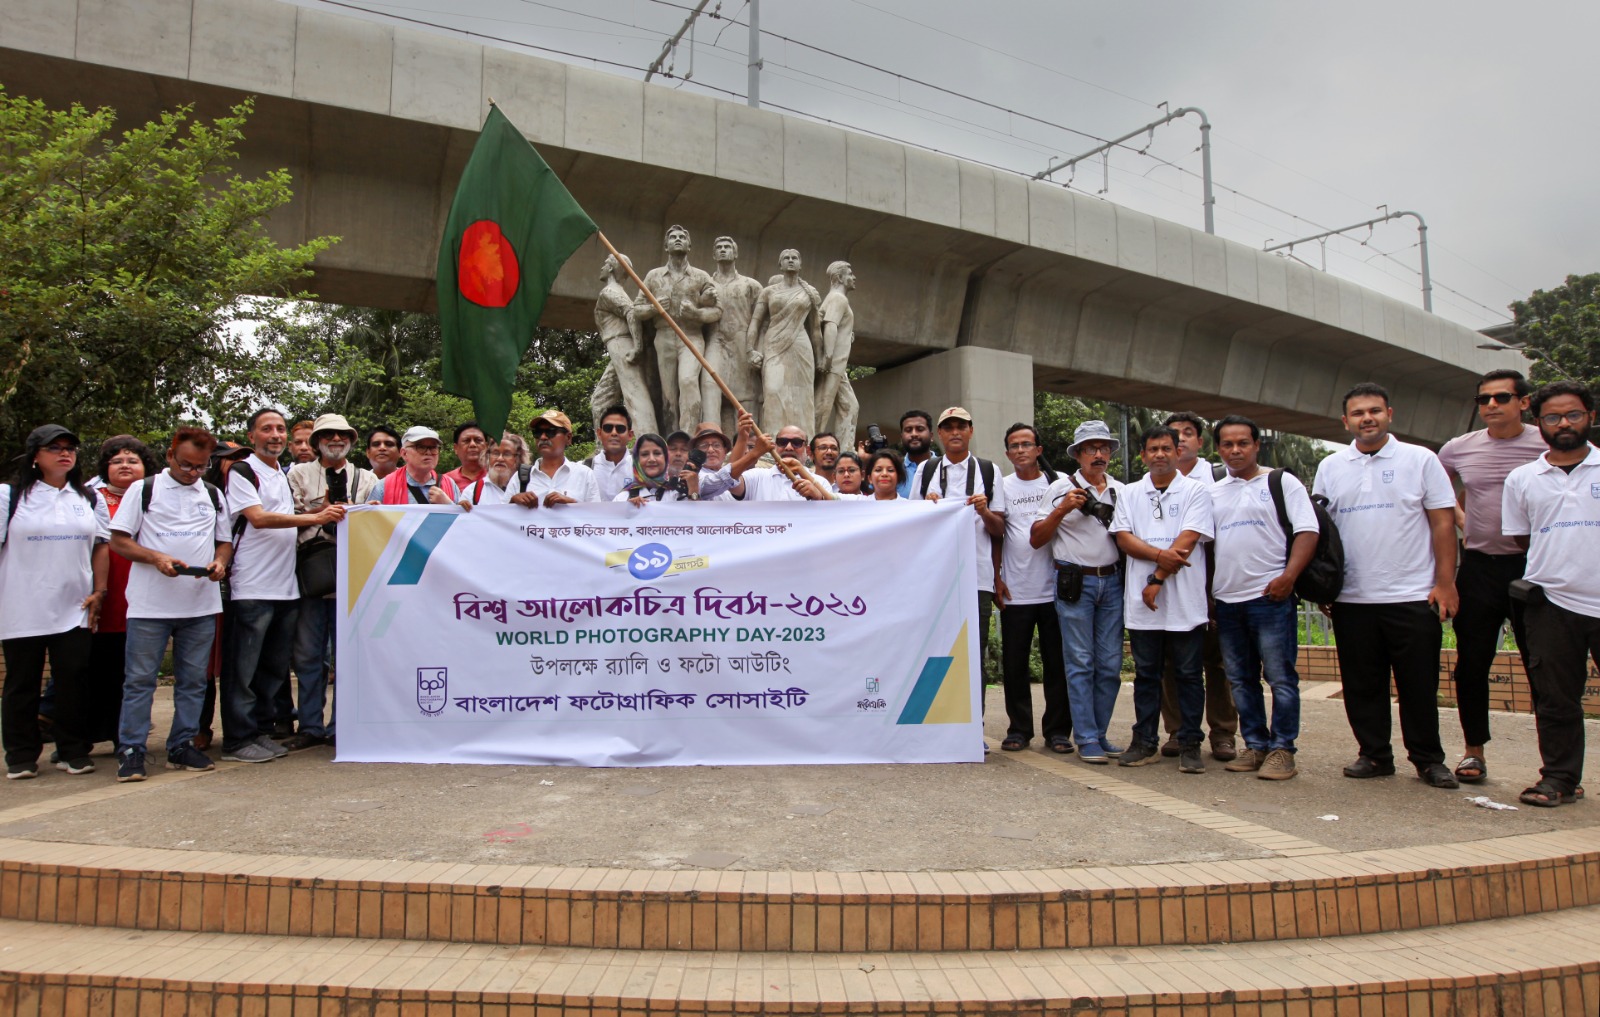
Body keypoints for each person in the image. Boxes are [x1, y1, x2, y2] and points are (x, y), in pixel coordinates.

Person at [1313, 382, 1459, 789]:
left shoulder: (1421, 460)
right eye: (1358, 413)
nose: (1367, 418)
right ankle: (1374, 755)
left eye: (1374, 411)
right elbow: (1323, 531)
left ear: (1389, 414)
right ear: (1346, 421)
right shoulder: (1331, 466)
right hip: (1353, 597)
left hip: (1412, 594)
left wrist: (1445, 583)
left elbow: (1443, 522)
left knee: (1418, 684)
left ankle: (1428, 759)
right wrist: (1327, 587)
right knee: (1362, 684)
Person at [1436, 369, 1546, 784]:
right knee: (1471, 664)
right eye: (1484, 399)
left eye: (1502, 397)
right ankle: (1473, 753)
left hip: (1534, 568)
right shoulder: (1457, 449)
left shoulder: (1546, 443)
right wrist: (1464, 520)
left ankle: (1554, 763)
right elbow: (1438, 494)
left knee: (1543, 666)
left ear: (1524, 402)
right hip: (1480, 567)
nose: (1492, 406)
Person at [221, 409, 345, 764]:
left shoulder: (281, 474)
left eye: (279, 429)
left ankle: (259, 732)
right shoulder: (243, 471)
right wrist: (317, 517)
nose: (274, 435)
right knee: (242, 670)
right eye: (266, 429)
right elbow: (258, 518)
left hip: (287, 586)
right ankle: (236, 738)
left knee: (272, 669)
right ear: (251, 437)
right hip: (252, 585)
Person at [109, 426, 232, 782]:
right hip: (151, 606)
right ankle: (132, 750)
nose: (192, 473)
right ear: (169, 456)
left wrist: (219, 563)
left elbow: (223, 542)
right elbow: (119, 541)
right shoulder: (144, 489)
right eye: (186, 465)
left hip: (200, 605)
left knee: (194, 681)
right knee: (139, 681)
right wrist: (155, 558)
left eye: (200, 467)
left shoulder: (211, 494)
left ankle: (181, 745)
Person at [1501, 381, 1600, 808]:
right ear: (1537, 422)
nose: (1563, 424)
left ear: (1590, 417)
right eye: (1552, 417)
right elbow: (1522, 538)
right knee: (1555, 699)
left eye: (1573, 414)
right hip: (1551, 603)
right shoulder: (1522, 478)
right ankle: (1559, 778)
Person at [1209, 415, 1319, 781]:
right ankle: (1255, 745)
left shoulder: (1280, 481)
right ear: (1219, 449)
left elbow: (1307, 530)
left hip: (1270, 597)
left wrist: (1288, 577)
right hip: (1227, 600)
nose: (1235, 450)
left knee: (1280, 677)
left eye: (1243, 443)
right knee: (1240, 679)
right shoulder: (1214, 492)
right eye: (1227, 444)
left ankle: (1282, 749)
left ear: (1257, 445)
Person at [1, 425, 111, 779]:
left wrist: (100, 591)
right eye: (54, 448)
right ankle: (20, 754)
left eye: (70, 448)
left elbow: (101, 546)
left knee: (73, 680)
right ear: (35, 455)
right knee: (22, 681)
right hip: (22, 604)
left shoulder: (88, 498)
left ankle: (72, 750)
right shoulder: (11, 496)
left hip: (74, 606)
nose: (65, 453)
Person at [1110, 426, 1214, 773]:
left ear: (1177, 452)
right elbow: (1124, 538)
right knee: (1146, 675)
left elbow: (1188, 538)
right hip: (1143, 607)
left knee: (1188, 675)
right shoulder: (1129, 493)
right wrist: (1160, 558)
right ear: (1143, 455)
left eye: (1166, 448)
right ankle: (1144, 742)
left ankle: (1190, 744)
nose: (1159, 454)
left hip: (1184, 602)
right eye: (1152, 449)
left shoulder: (1196, 491)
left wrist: (1156, 577)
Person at [1031, 421, 1125, 763]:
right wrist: (1062, 509)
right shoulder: (1059, 488)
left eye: (1103, 449)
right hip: (1074, 583)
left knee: (1111, 664)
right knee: (1081, 662)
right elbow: (1037, 538)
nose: (1098, 455)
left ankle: (1099, 733)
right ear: (1078, 455)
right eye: (1090, 449)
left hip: (1113, 582)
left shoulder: (1120, 491)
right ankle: (1085, 738)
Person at [287, 414, 379, 751]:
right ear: (316, 441)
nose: (336, 440)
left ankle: (343, 725)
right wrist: (320, 515)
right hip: (312, 575)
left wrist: (356, 512)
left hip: (353, 576)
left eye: (342, 435)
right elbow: (289, 517)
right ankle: (310, 725)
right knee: (309, 656)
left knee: (349, 655)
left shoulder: (366, 478)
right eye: (328, 434)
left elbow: (377, 521)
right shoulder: (297, 475)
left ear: (352, 440)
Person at [1156, 411, 1238, 762]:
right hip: (1170, 585)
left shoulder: (1219, 481)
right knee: (1170, 663)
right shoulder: (1154, 482)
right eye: (1174, 434)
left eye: (1188, 433)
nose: (1181, 439)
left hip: (1213, 585)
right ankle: (1177, 731)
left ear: (1200, 442)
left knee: (1217, 664)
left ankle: (1223, 733)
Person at [911, 408, 1006, 669]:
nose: (955, 432)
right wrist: (927, 508)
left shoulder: (988, 470)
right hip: (936, 577)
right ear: (939, 433)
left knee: (975, 651)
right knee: (934, 649)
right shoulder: (926, 470)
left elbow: (999, 529)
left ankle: (977, 711)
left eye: (961, 427)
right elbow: (912, 524)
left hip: (977, 577)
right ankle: (938, 710)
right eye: (949, 427)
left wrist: (984, 511)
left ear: (971, 431)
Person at [996, 423, 1069, 753]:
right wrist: (997, 576)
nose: (1021, 450)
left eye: (1027, 444)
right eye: (1015, 445)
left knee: (1057, 663)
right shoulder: (1002, 486)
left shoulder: (1060, 483)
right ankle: (1019, 729)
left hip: (1056, 590)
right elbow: (996, 533)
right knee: (1014, 664)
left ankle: (1057, 731)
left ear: (1039, 450)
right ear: (1008, 453)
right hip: (1016, 588)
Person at [83, 436, 159, 748]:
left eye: (132, 461)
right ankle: (86, 733)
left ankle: (123, 736)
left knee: (132, 672)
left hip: (143, 594)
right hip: (103, 592)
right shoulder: (91, 497)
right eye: (117, 461)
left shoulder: (155, 497)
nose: (125, 466)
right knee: (96, 666)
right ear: (105, 467)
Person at [634, 225, 721, 432]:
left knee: (688, 381)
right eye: (673, 237)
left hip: (691, 337)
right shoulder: (653, 276)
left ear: (689, 245)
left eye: (683, 236)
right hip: (664, 337)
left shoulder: (701, 276)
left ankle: (690, 436)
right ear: (666, 246)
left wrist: (697, 313)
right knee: (668, 394)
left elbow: (717, 311)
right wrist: (653, 308)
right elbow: (636, 309)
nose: (678, 239)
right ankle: (673, 439)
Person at [748, 249, 822, 435]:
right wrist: (750, 350)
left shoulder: (810, 293)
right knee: (772, 391)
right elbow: (755, 322)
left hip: (800, 344)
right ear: (780, 265)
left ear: (800, 263)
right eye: (786, 258)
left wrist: (820, 357)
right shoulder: (768, 292)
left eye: (794, 258)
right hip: (774, 343)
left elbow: (815, 328)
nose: (790, 261)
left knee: (802, 395)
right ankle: (773, 441)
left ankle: (804, 442)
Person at [513, 411, 598, 507]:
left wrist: (573, 506)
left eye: (551, 432)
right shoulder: (519, 478)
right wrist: (512, 503)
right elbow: (499, 518)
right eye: (537, 432)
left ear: (568, 438)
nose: (543, 437)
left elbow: (597, 518)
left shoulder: (584, 475)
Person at [376, 427, 460, 505]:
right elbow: (369, 520)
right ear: (404, 453)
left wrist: (448, 505)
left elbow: (463, 520)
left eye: (433, 447)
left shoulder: (449, 484)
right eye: (421, 447)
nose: (428, 452)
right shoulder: (384, 486)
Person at [465, 432, 529, 508]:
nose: (500, 459)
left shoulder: (528, 487)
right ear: (488, 456)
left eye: (507, 454)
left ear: (518, 459)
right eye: (495, 453)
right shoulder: (472, 492)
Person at [615, 434, 684, 504]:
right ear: (636, 460)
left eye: (657, 453)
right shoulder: (622, 499)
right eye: (645, 454)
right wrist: (627, 510)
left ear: (666, 458)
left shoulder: (678, 494)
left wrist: (693, 492)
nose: (651, 459)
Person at [588, 406, 635, 503]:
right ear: (599, 433)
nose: (614, 433)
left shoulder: (640, 469)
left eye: (620, 428)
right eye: (608, 428)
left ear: (630, 435)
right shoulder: (586, 469)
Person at [443, 421, 489, 500]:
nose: (472, 444)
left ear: (487, 446)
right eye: (466, 441)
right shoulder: (446, 482)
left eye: (478, 440)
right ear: (456, 448)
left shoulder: (498, 478)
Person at [897, 410, 935, 499]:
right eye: (908, 430)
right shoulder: (893, 469)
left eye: (920, 429)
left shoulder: (944, 467)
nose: (914, 434)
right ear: (901, 438)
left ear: (931, 436)